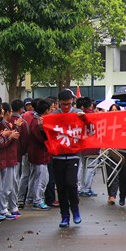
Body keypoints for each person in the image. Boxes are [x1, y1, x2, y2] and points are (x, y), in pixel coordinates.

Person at [51, 90, 83, 227]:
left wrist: (84, 118)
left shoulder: (78, 113)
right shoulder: (53, 115)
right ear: (59, 102)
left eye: (68, 104)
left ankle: (75, 210)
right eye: (63, 104)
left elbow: (89, 127)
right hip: (57, 157)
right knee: (61, 187)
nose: (65, 107)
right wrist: (42, 126)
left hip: (73, 155)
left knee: (71, 184)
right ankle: (65, 216)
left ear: (72, 102)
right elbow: (46, 133)